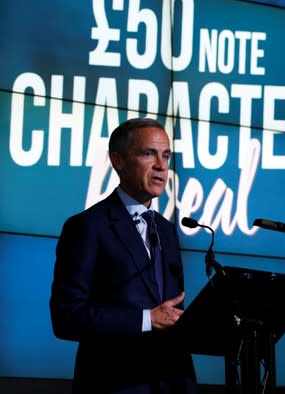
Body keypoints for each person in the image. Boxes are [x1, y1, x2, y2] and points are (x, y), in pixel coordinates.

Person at [50, 118, 197, 394]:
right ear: (117, 160)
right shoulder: (87, 227)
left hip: (172, 383)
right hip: (117, 384)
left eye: (165, 155)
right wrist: (145, 319)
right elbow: (66, 318)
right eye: (148, 153)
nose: (161, 166)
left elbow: (169, 312)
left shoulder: (166, 230)